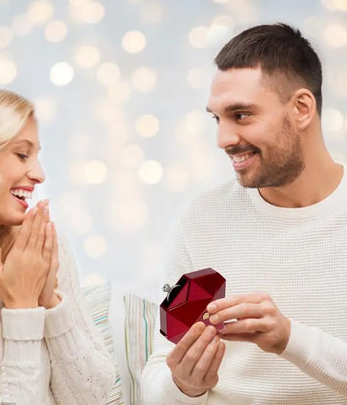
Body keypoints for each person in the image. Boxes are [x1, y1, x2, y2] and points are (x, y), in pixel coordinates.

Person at [141, 23, 347, 404]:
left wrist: (290, 339)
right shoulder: (202, 223)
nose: (223, 140)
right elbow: (157, 375)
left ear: (302, 109)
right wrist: (185, 385)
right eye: (217, 118)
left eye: (241, 115)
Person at [0, 83, 115, 404]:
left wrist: (50, 299)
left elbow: (92, 396)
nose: (40, 174)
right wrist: (22, 309)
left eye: (36, 156)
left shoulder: (41, 246)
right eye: (21, 154)